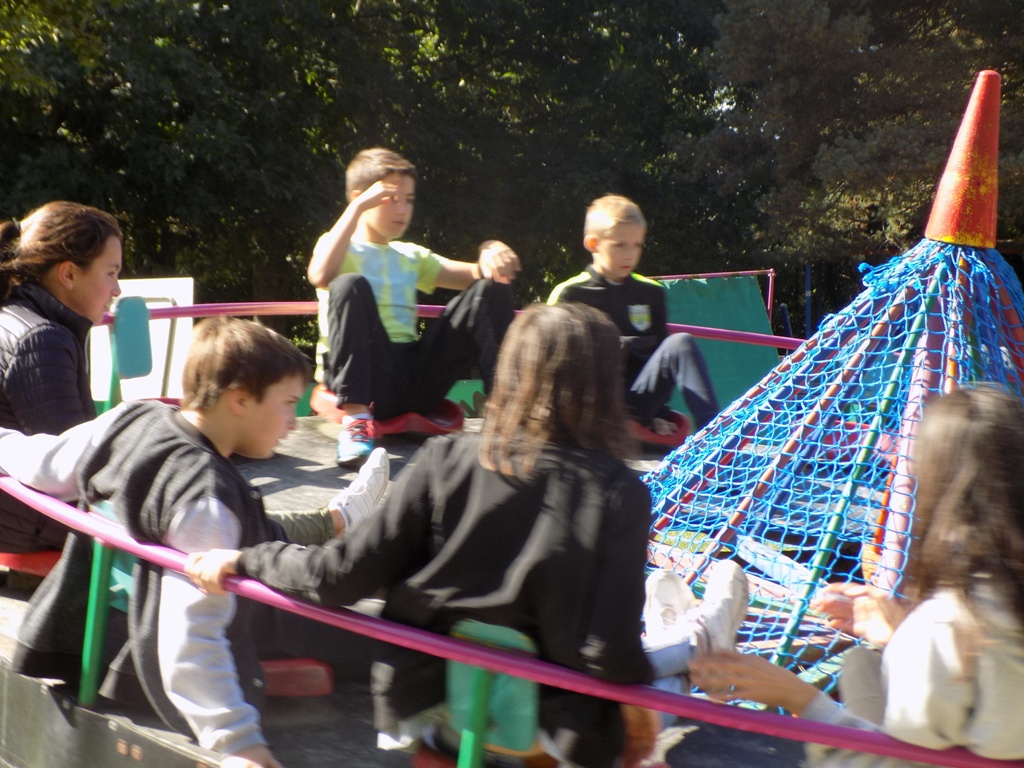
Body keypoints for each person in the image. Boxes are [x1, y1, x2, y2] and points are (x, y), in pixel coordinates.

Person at [185, 303, 750, 768]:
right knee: (667, 685)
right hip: (551, 733)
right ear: (603, 387)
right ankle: (699, 635)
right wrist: (639, 700)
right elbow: (610, 659)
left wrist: (247, 558)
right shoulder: (619, 493)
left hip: (433, 711)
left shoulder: (444, 460)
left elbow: (335, 576)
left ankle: (690, 632)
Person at [0, 317, 390, 768]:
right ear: (239, 399)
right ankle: (348, 537)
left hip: (106, 623)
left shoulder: (133, 417)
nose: (291, 422)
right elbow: (190, 633)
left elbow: (46, 463)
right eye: (287, 405)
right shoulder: (206, 500)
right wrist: (237, 740)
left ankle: (337, 528)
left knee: (281, 544)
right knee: (384, 636)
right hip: (198, 629)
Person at [690, 385, 1024, 766]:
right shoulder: (986, 604)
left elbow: (896, 763)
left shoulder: (947, 624)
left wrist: (799, 698)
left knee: (860, 665)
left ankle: (689, 637)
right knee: (862, 663)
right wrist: (899, 634)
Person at [308, 147, 521, 466]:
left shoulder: (410, 255)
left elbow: (480, 274)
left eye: (408, 199)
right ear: (359, 198)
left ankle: (511, 414)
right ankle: (356, 421)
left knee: (493, 287)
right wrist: (356, 208)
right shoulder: (338, 246)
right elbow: (320, 275)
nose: (403, 209)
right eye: (392, 198)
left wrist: (491, 249)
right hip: (365, 379)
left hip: (413, 378)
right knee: (348, 284)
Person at [0, 201, 123, 552]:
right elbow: (72, 468)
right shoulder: (43, 339)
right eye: (111, 273)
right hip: (26, 516)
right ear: (68, 275)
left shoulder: (18, 316)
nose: (117, 290)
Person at [547, 195, 719, 435]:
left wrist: (657, 415)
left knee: (681, 342)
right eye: (620, 245)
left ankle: (715, 437)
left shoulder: (651, 293)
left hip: (635, 405)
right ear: (593, 244)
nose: (630, 254)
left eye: (637, 245)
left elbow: (660, 358)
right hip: (591, 409)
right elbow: (553, 369)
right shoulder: (569, 294)